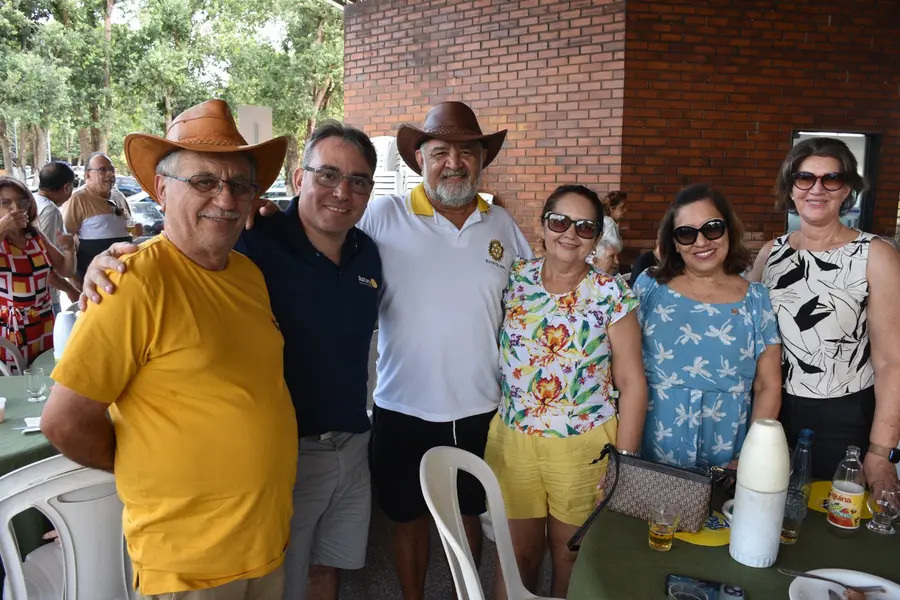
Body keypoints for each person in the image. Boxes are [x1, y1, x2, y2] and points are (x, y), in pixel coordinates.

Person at [78, 121, 383, 600]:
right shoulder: (255, 241)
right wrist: (107, 261)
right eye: (327, 174)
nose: (342, 191)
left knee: (326, 568)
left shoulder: (366, 253)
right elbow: (188, 243)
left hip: (347, 446)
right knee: (290, 577)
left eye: (359, 181)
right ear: (299, 180)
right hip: (284, 466)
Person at [40, 99, 298, 600]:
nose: (225, 198)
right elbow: (63, 422)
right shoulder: (131, 282)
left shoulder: (248, 274)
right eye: (204, 181)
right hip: (188, 565)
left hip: (264, 542)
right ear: (161, 190)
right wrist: (149, 464)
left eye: (239, 184)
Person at [361, 101, 532, 600]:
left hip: (481, 407)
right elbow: (323, 249)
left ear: (482, 162)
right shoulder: (381, 216)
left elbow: (533, 299)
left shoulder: (501, 224)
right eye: (440, 152)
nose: (453, 163)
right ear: (420, 159)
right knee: (406, 518)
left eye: (466, 153)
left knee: (469, 514)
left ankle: (466, 594)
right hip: (403, 407)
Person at [485, 185, 647, 598]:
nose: (570, 233)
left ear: (596, 236)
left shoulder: (611, 294)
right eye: (560, 221)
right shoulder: (516, 279)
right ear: (543, 226)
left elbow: (632, 384)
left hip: (584, 445)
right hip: (515, 440)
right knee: (516, 555)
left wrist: (622, 463)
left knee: (569, 555)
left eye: (585, 226)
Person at [750, 137, 900, 484]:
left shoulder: (875, 254)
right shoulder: (771, 254)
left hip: (844, 416)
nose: (816, 189)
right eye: (805, 178)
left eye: (830, 179)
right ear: (790, 188)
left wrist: (880, 450)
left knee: (830, 519)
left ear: (847, 189)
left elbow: (891, 361)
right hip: (773, 409)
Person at [634, 184, 782, 468]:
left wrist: (752, 455)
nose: (701, 242)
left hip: (728, 451)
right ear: (674, 242)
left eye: (712, 228)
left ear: (729, 230)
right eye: (686, 233)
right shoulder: (649, 288)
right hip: (652, 444)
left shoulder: (756, 299)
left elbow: (768, 385)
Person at [0, 177, 75, 372]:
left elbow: (65, 270)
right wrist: (3, 228)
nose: (14, 207)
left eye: (21, 201)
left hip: (44, 320)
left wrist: (69, 249)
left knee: (48, 374)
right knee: (20, 383)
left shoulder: (35, 235)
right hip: (12, 330)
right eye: (5, 202)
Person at [63, 152, 139, 279]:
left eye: (111, 169)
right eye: (102, 170)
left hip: (124, 275)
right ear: (88, 175)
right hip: (93, 278)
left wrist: (135, 231)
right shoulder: (78, 199)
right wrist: (73, 279)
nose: (109, 174)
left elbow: (130, 228)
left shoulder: (118, 196)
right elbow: (66, 242)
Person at [34, 161, 81, 312]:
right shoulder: (49, 210)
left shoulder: (33, 202)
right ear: (67, 187)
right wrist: (71, 290)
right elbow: (43, 262)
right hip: (44, 299)